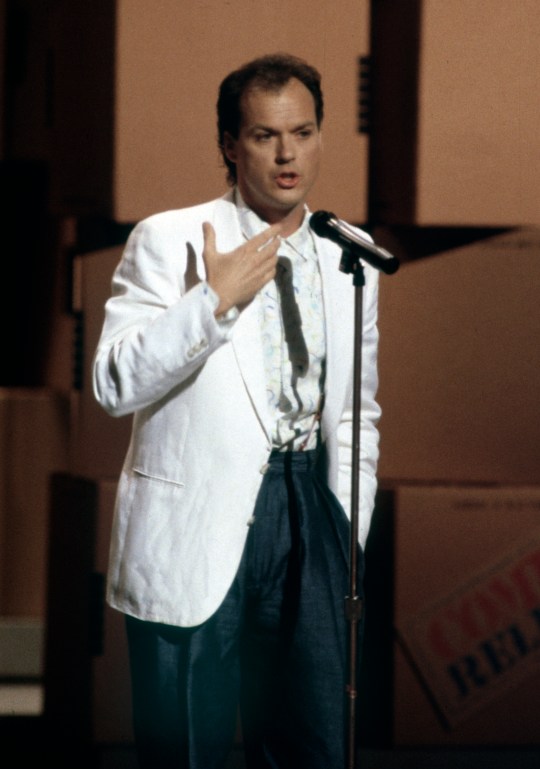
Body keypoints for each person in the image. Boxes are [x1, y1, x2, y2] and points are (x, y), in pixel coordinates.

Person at [93, 52, 380, 769]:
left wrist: (348, 519)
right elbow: (111, 381)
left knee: (313, 740)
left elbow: (357, 410)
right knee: (190, 742)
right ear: (230, 144)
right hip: (200, 518)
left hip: (310, 507)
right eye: (264, 135)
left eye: (304, 132)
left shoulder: (353, 258)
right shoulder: (170, 238)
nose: (288, 154)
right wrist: (210, 303)